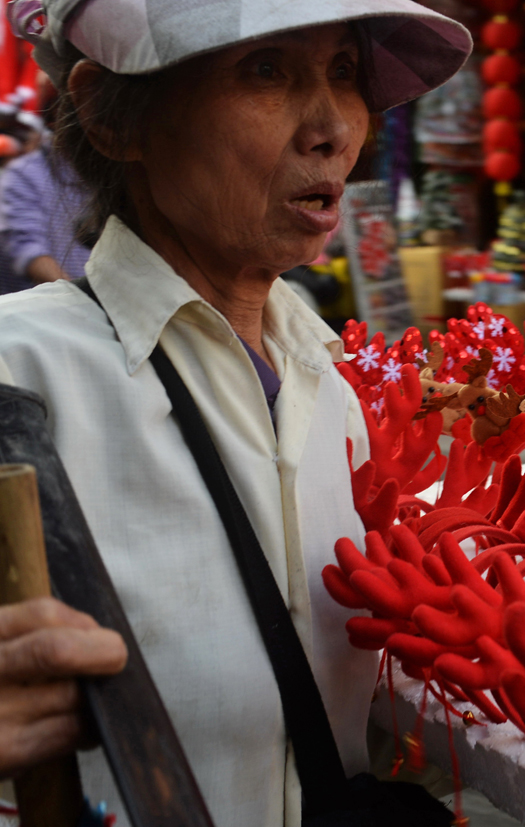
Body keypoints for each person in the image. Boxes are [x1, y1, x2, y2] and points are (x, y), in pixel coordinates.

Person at [0, 0, 470, 824]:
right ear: (115, 116)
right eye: (266, 71)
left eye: (344, 72)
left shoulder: (329, 385)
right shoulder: (19, 376)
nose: (333, 129)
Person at [0, 68, 91, 294]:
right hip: (50, 312)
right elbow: (29, 253)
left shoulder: (107, 175)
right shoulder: (23, 174)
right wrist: (81, 298)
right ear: (55, 117)